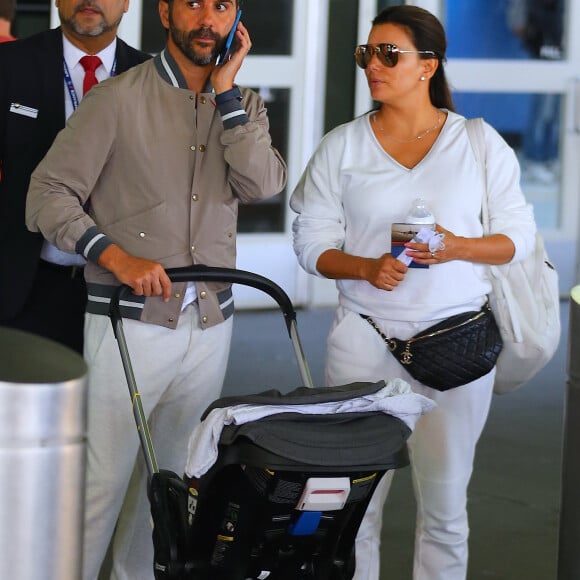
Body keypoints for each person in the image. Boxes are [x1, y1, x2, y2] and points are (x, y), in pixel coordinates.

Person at [26, 0, 287, 577]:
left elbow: (263, 183)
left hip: (210, 324)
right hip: (131, 322)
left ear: (235, 18)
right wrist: (112, 254)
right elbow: (46, 194)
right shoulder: (117, 99)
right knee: (100, 485)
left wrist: (225, 94)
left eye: (221, 6)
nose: (207, 19)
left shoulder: (242, 106)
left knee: (169, 489)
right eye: (192, 3)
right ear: (165, 11)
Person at [290, 6, 536, 580]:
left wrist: (458, 247)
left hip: (456, 343)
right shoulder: (342, 146)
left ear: (428, 65)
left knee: (446, 510)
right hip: (363, 338)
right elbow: (311, 242)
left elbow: (518, 238)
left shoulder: (477, 143)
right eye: (366, 54)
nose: (372, 65)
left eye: (388, 54)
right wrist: (364, 266)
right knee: (353, 510)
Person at [0, 0, 151, 354]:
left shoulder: (151, 76)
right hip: (28, 283)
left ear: (127, 3)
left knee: (113, 409)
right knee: (30, 406)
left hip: (123, 287)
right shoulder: (10, 64)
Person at [507, 0, 564, 184]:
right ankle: (534, 160)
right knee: (542, 110)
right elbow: (517, 22)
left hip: (562, 50)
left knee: (557, 112)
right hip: (543, 49)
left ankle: (551, 158)